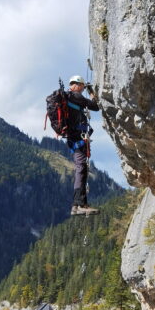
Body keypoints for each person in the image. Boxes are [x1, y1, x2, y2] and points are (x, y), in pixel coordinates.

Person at [66, 75, 100, 215]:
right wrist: (91, 92)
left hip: (74, 138)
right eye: (82, 86)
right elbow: (96, 106)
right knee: (81, 168)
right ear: (77, 85)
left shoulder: (69, 97)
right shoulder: (76, 96)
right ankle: (79, 205)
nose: (82, 88)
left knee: (83, 168)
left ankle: (78, 205)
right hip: (78, 138)